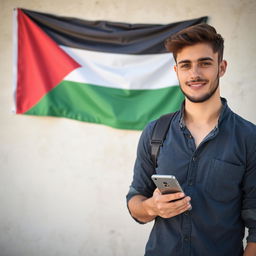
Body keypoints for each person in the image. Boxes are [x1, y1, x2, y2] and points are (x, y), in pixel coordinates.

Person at [126, 24, 256, 256]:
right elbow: (135, 201)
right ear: (176, 71)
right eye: (186, 65)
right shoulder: (155, 132)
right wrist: (151, 207)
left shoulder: (249, 138)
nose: (194, 74)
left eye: (205, 63)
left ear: (222, 67)